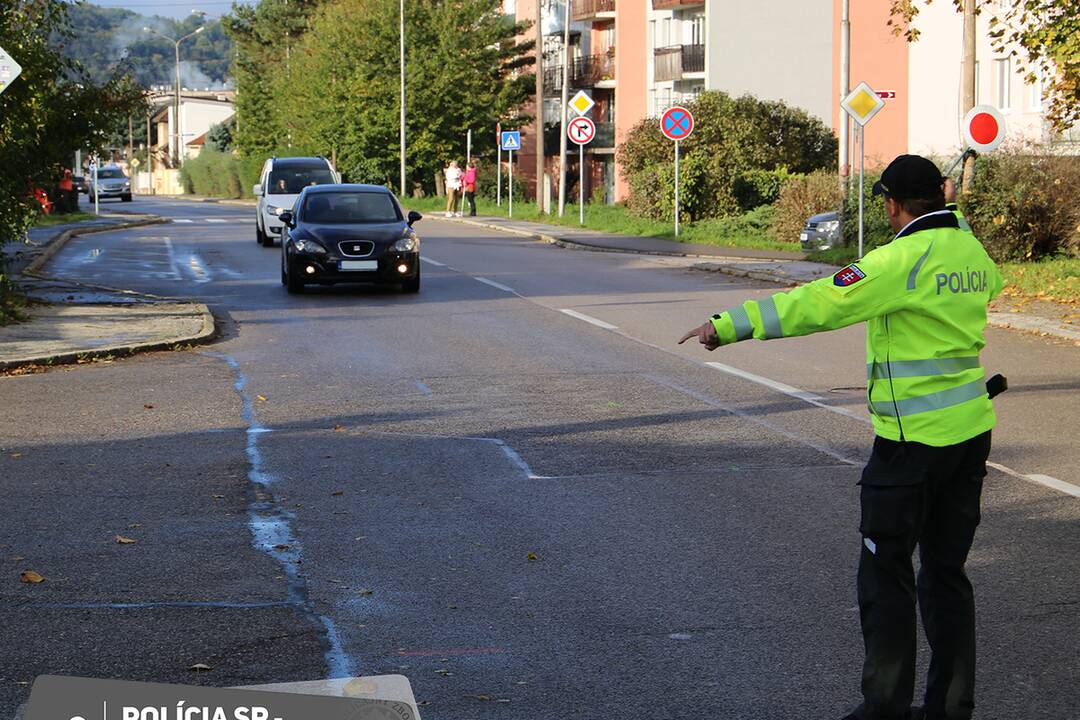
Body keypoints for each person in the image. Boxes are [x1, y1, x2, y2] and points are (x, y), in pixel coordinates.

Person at [678, 154, 1003, 720]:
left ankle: (884, 708)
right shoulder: (971, 252)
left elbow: (822, 300)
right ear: (941, 197)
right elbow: (988, 278)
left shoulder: (899, 258)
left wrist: (731, 325)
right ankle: (951, 707)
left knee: (886, 575)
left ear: (892, 204)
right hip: (970, 433)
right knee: (946, 575)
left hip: (911, 445)